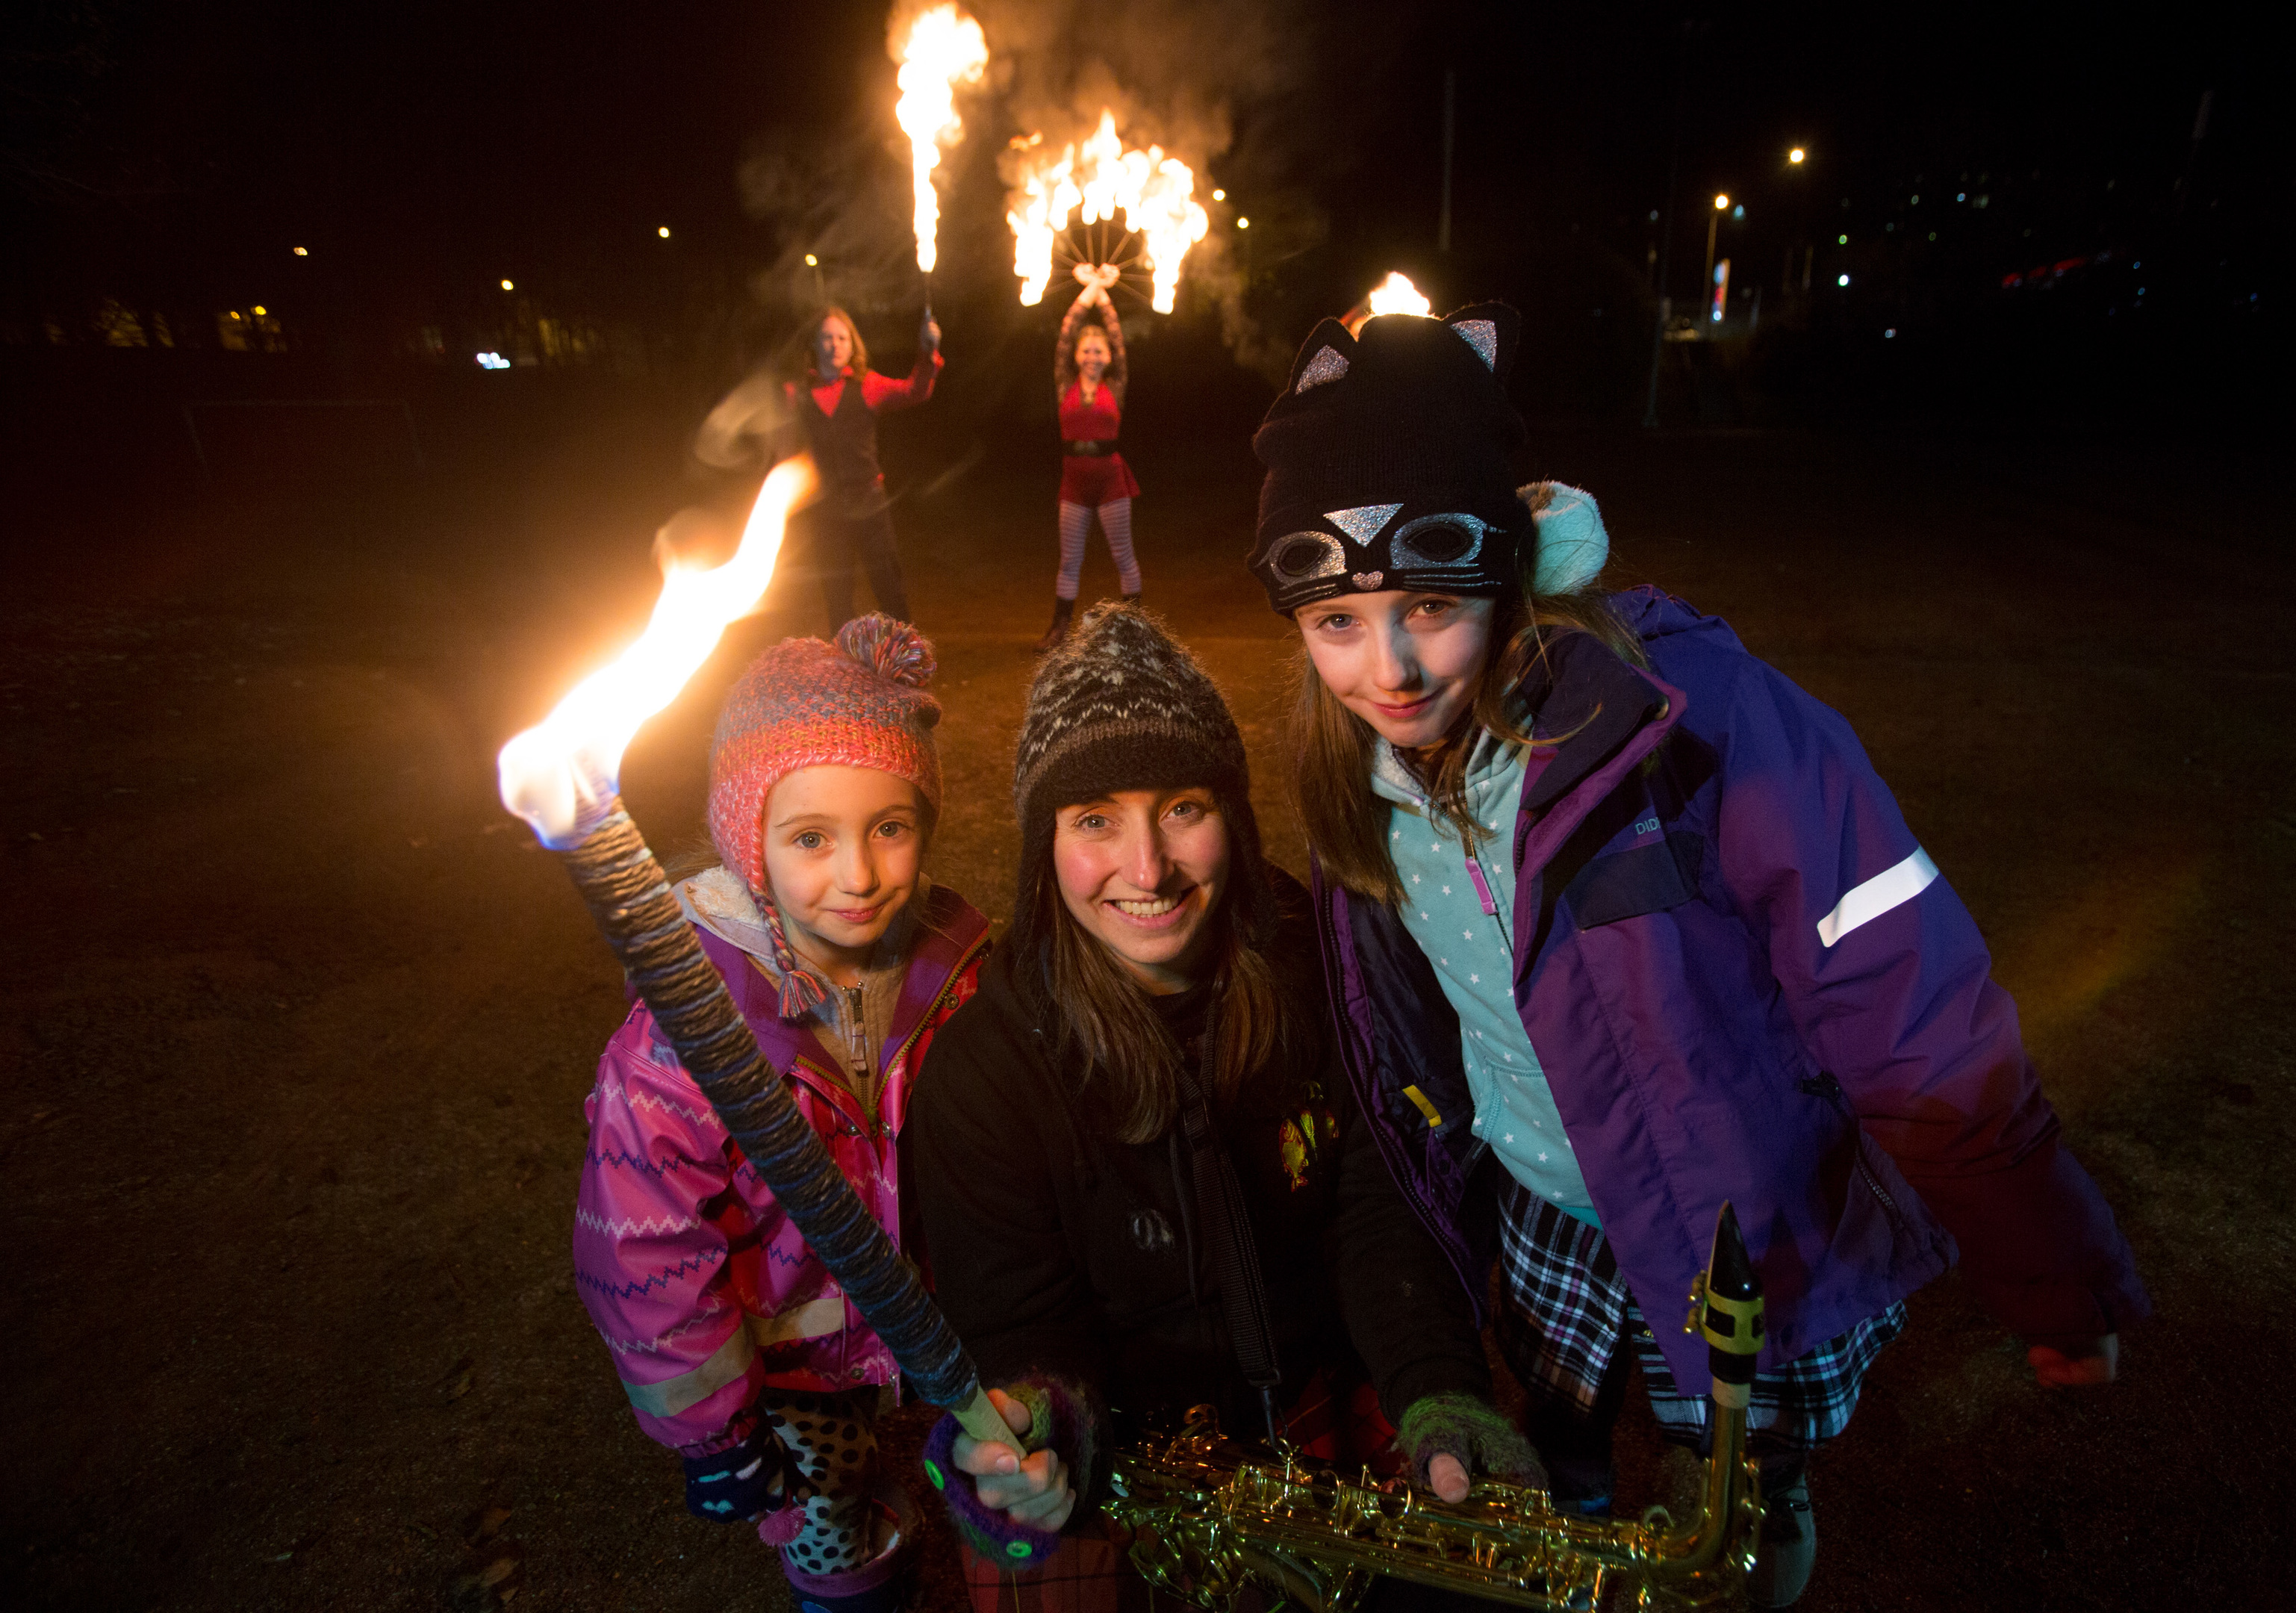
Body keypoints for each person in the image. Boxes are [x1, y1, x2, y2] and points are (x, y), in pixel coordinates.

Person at [1245, 305, 2151, 1609]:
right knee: (1560, 1472)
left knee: (1733, 1500)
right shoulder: (1355, 774)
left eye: (1432, 607)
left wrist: (2051, 1276)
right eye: (1339, 623)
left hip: (1737, 1230)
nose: (1386, 667)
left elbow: (1910, 1009)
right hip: (1549, 1208)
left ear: (1506, 570)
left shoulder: (1695, 721)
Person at [904, 604, 1546, 1608]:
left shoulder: (1317, 973)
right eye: (1095, 821)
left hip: (1324, 1423)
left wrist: (1437, 1390)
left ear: (1234, 820)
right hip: (1134, 1481)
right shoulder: (984, 1075)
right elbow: (1017, 1321)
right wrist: (1042, 1423)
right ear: (1046, 849)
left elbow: (1376, 1209)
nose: (1148, 869)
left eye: (1183, 808)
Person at [572, 616, 989, 1613]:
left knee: (966, 1510)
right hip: (791, 1388)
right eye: (810, 838)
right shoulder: (683, 1043)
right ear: (746, 839)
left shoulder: (957, 976)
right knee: (843, 1550)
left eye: (890, 828)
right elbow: (643, 1253)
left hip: (934, 1342)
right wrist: (715, 1432)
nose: (857, 875)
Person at [778, 307, 943, 633]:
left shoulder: (868, 385)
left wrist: (928, 352)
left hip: (869, 503)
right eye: (827, 337)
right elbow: (785, 450)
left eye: (843, 338)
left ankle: (905, 664)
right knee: (837, 598)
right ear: (815, 344)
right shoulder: (796, 395)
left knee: (890, 589)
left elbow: (915, 391)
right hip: (826, 509)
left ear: (853, 346)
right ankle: (846, 671)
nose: (835, 344)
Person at [1036, 264, 1142, 652]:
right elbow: (1065, 333)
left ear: (1109, 356)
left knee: (1123, 555)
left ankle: (1136, 633)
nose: (1093, 355)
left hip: (1111, 479)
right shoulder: (1064, 381)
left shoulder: (1116, 384)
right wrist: (1087, 293)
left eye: (1100, 350)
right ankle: (1059, 630)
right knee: (1070, 560)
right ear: (1077, 356)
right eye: (1087, 350)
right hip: (1074, 482)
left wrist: (1105, 296)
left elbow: (1116, 333)